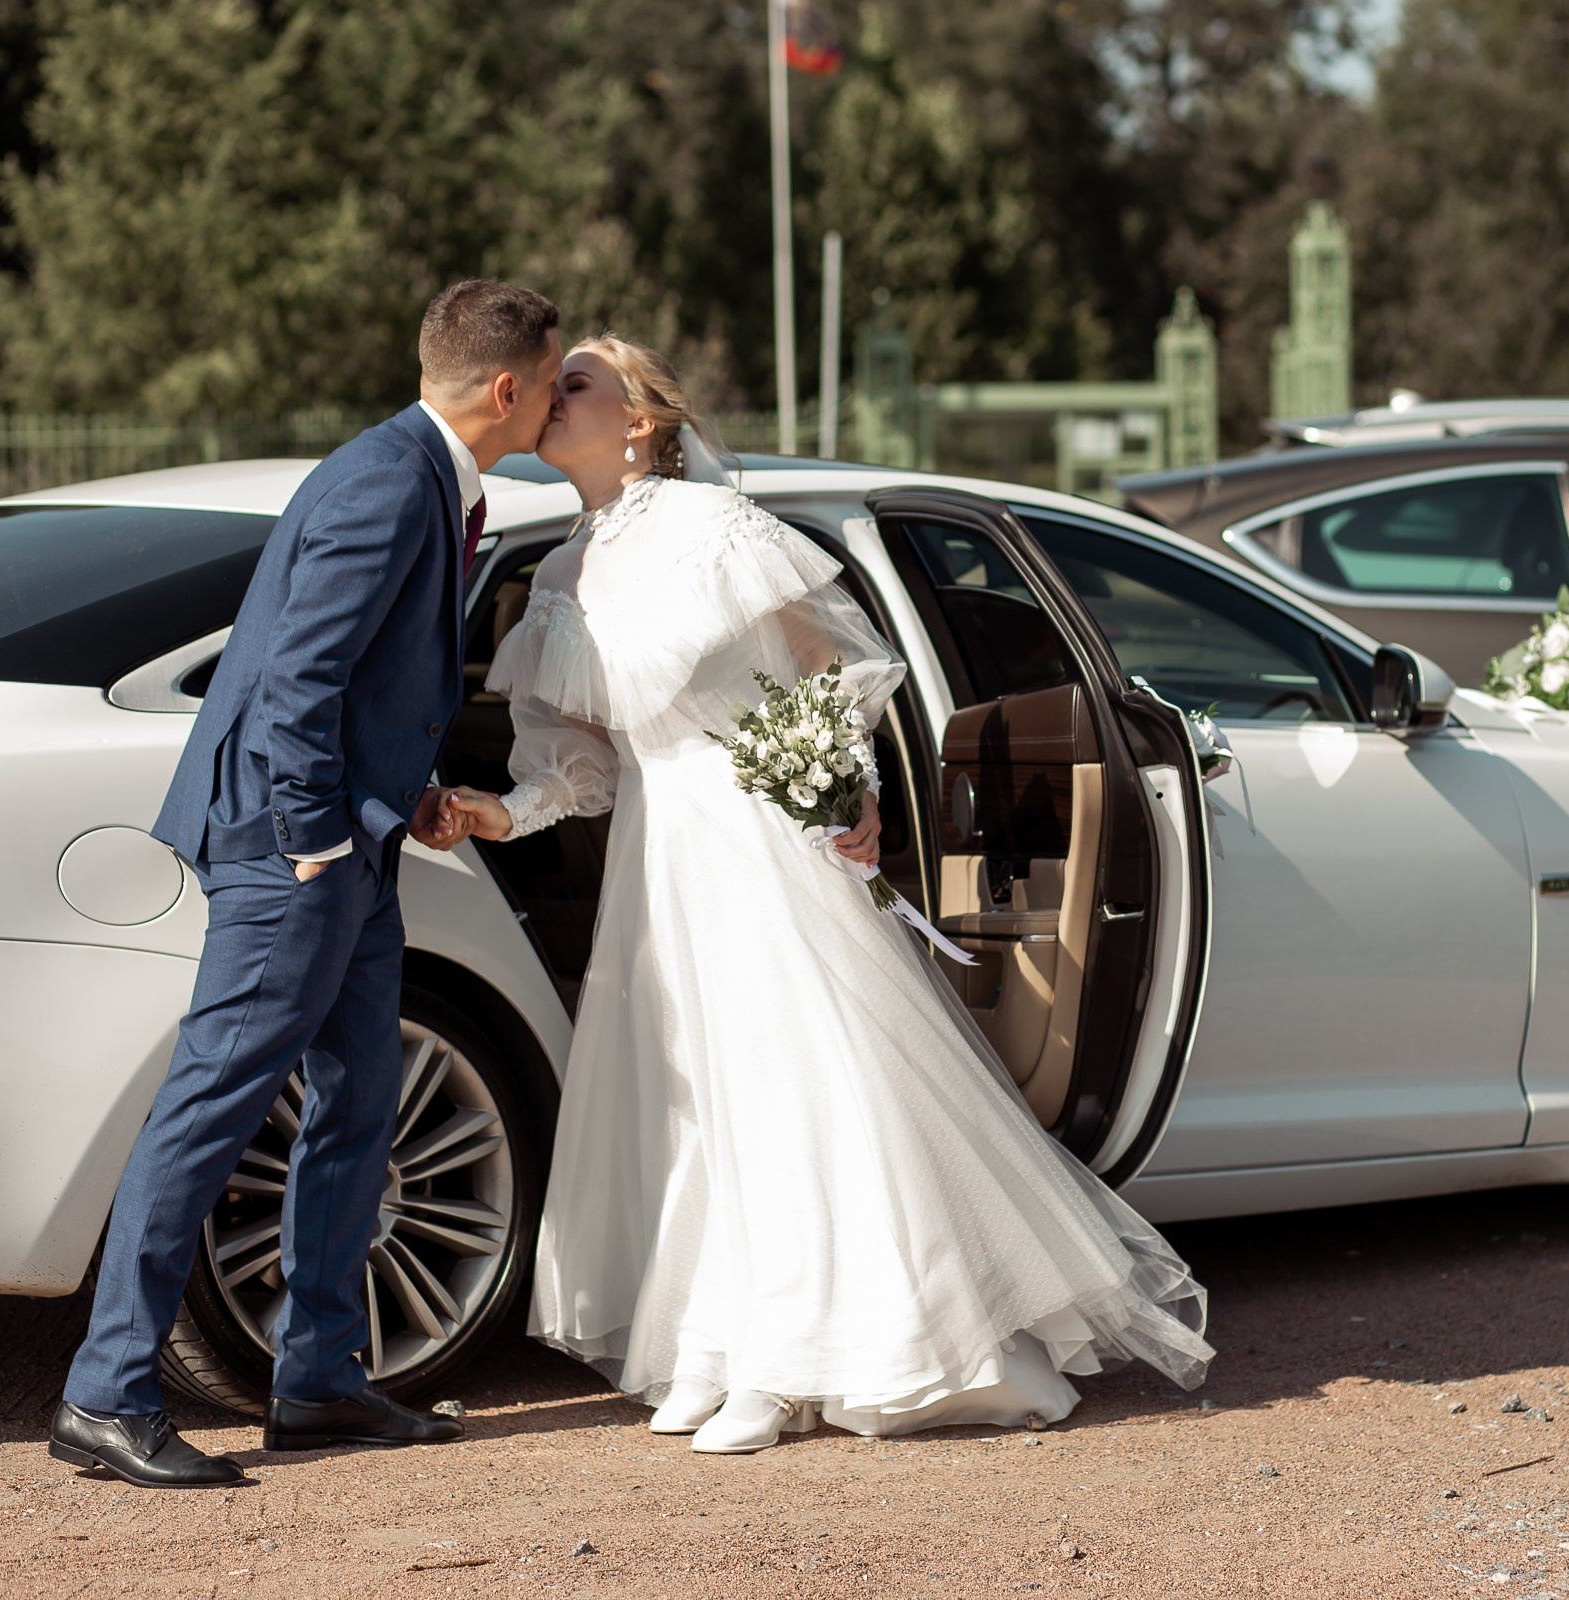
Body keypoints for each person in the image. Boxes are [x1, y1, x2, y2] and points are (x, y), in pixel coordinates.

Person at [443, 335, 1212, 1454]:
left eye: (577, 383)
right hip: (660, 857)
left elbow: (827, 671)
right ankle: (716, 1347)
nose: (553, 398)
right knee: (695, 1104)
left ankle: (792, 1360)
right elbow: (582, 769)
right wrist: (497, 814)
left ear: (643, 423)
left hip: (756, 841)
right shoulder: (557, 577)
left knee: (783, 1089)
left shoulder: (720, 529)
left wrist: (843, 785)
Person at [49, 281, 563, 1489]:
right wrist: (316, 842)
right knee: (214, 1103)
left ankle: (319, 1378)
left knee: (358, 1097)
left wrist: (399, 801)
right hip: (298, 850)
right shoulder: (390, 478)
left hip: (353, 838)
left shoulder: (425, 474)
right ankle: (104, 1389)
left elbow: (367, 681)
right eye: (548, 377)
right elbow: (296, 676)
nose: (552, 395)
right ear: (507, 387)